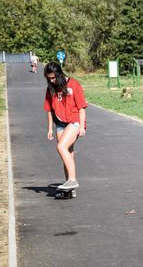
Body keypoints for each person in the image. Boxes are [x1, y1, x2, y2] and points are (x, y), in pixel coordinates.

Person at [43, 62, 87, 196]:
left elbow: (81, 108)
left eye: (54, 77)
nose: (52, 80)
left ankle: (72, 180)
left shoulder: (74, 85)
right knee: (67, 153)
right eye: (49, 78)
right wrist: (50, 128)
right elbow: (49, 109)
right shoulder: (51, 88)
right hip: (60, 124)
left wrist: (82, 126)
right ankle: (69, 188)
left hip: (74, 121)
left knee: (61, 147)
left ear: (59, 73)